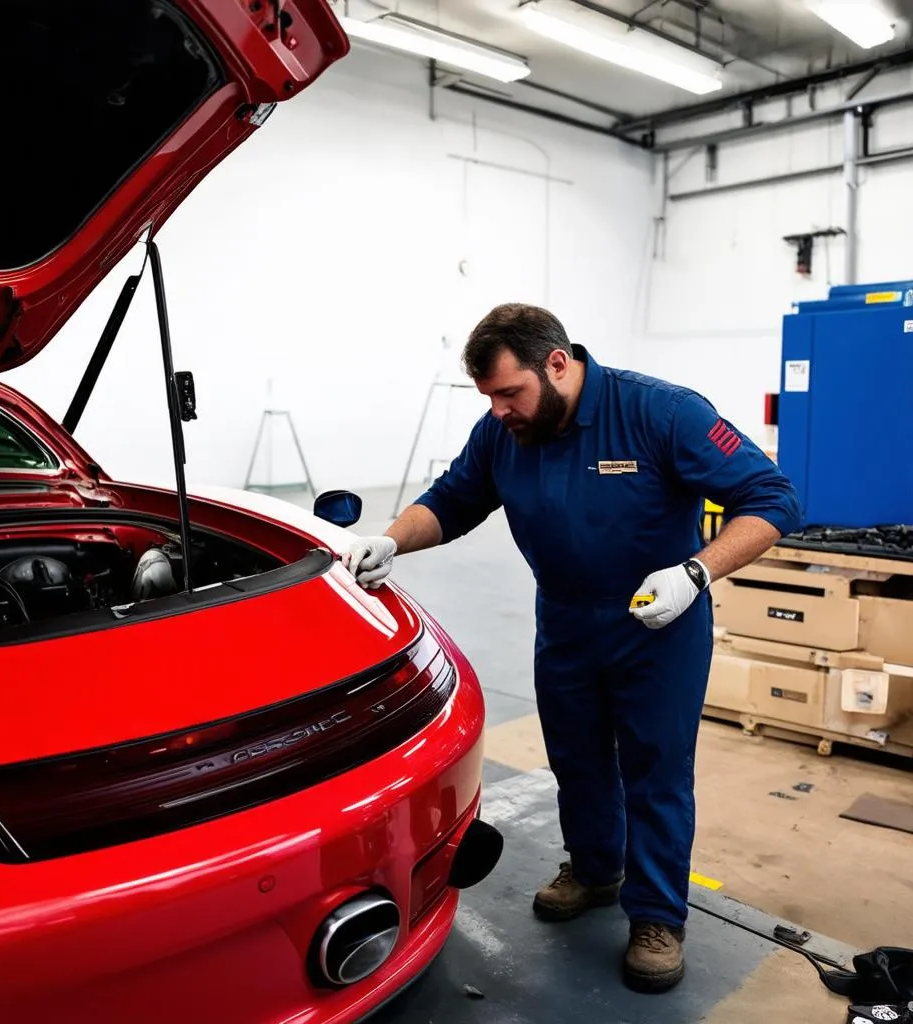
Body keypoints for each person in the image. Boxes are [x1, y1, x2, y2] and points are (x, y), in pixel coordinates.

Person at [342, 303, 803, 993]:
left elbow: (772, 497)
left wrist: (695, 572)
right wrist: (391, 539)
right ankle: (595, 869)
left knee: (655, 773)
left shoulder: (659, 412)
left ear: (557, 363)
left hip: (658, 628)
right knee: (578, 761)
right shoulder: (506, 431)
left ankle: (656, 917)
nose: (499, 411)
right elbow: (456, 497)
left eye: (508, 393)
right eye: (489, 398)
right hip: (564, 625)